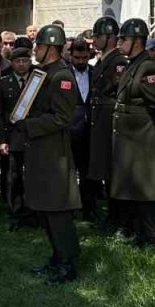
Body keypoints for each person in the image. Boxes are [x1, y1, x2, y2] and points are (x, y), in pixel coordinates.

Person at [16, 25, 82, 284]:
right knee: (45, 208)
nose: (35, 50)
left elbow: (64, 117)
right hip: (40, 149)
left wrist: (29, 126)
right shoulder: (44, 72)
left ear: (51, 48)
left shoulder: (61, 76)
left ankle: (67, 262)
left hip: (54, 153)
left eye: (39, 46)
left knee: (57, 210)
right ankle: (57, 257)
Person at [111, 18, 155, 247]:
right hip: (132, 139)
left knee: (148, 190)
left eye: (123, 39)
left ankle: (154, 238)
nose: (119, 43)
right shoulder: (133, 64)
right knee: (136, 188)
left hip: (145, 138)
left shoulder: (148, 68)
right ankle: (139, 232)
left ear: (137, 41)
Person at [88, 17, 126, 230]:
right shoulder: (104, 60)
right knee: (105, 169)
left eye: (98, 36)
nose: (94, 40)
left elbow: (115, 89)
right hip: (100, 117)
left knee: (112, 171)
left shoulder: (118, 61)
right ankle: (113, 215)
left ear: (110, 38)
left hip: (109, 117)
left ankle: (118, 217)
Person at [0, 46, 36, 230]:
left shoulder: (37, 82)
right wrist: (2, 140)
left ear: (30, 62)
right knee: (14, 176)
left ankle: (34, 211)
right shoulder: (3, 83)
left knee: (34, 176)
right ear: (12, 63)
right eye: (18, 61)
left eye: (25, 60)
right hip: (13, 138)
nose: (21, 64)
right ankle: (16, 212)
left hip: (34, 136)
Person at [67, 38, 93, 221]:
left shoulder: (94, 72)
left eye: (84, 57)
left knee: (88, 172)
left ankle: (88, 207)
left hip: (90, 130)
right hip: (70, 130)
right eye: (77, 58)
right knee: (68, 171)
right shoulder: (64, 74)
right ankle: (69, 206)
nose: (81, 61)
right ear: (71, 56)